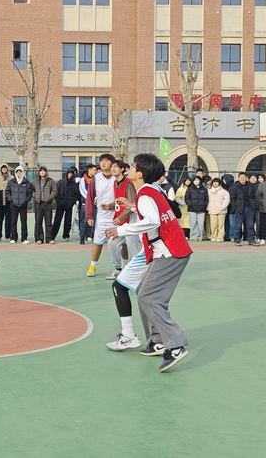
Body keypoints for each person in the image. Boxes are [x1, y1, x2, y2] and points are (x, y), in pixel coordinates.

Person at [105, 153, 193, 372]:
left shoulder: (145, 193)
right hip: (169, 250)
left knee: (149, 297)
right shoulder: (152, 190)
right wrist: (133, 206)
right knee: (143, 290)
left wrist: (121, 230)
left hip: (169, 252)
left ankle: (175, 345)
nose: (130, 168)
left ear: (140, 174)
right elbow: (155, 212)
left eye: (134, 166)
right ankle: (157, 340)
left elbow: (152, 220)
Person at [84, 153, 116, 277]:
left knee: (120, 244)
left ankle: (121, 266)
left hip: (117, 217)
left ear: (112, 163)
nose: (103, 163)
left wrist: (112, 206)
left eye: (106, 161)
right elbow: (90, 197)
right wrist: (89, 215)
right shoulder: (96, 178)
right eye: (101, 161)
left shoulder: (118, 177)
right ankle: (93, 265)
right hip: (102, 217)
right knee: (97, 242)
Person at [107, 160, 138, 281]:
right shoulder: (115, 183)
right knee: (112, 243)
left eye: (115, 167)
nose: (113, 169)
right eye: (112, 167)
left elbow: (132, 205)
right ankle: (118, 268)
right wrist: (110, 206)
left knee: (131, 247)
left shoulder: (128, 183)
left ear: (122, 169)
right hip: (121, 220)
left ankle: (134, 272)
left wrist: (120, 218)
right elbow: (119, 202)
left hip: (130, 219)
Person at [230, 172, 258, 247]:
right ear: (238, 178)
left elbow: (254, 196)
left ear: (246, 178)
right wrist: (235, 207)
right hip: (239, 208)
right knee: (238, 225)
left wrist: (254, 204)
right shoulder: (235, 187)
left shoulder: (251, 186)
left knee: (250, 225)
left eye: (243, 177)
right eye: (241, 177)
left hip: (250, 208)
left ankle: (251, 240)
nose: (242, 178)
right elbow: (232, 198)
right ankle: (237, 240)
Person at [52, 167, 79, 243]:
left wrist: (72, 202)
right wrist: (59, 201)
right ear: (66, 174)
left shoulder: (74, 184)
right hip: (60, 205)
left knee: (68, 221)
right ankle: (52, 236)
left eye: (71, 174)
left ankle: (66, 235)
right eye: (69, 173)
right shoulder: (60, 182)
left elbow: (76, 195)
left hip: (69, 205)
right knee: (57, 221)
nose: (70, 175)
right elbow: (56, 193)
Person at [31, 166, 56, 245]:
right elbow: (31, 190)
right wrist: (35, 196)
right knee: (38, 221)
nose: (42, 172)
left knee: (48, 222)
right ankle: (39, 238)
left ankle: (49, 238)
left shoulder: (51, 181)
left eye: (44, 171)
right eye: (41, 171)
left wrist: (49, 198)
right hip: (38, 203)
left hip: (48, 204)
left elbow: (54, 191)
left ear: (46, 172)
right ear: (39, 172)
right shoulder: (35, 181)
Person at [6, 166, 32, 244]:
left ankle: (24, 238)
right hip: (14, 205)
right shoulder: (11, 182)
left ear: (23, 172)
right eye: (17, 171)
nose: (19, 173)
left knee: (24, 222)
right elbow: (7, 192)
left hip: (23, 205)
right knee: (13, 221)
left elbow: (29, 193)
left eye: (20, 171)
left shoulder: (26, 182)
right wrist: (11, 199)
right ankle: (14, 238)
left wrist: (26, 200)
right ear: (15, 172)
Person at [207, 178, 230, 242]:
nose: (215, 183)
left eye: (216, 182)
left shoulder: (224, 191)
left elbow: (227, 200)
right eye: (214, 182)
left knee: (221, 225)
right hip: (212, 210)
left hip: (221, 211)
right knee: (213, 225)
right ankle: (213, 236)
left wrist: (222, 207)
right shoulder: (209, 191)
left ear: (219, 183)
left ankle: (220, 237)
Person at [78, 164, 96, 244]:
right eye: (94, 170)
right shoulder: (83, 179)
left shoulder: (96, 180)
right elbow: (82, 190)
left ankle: (93, 236)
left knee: (94, 221)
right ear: (89, 170)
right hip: (85, 203)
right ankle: (82, 237)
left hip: (95, 203)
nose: (95, 172)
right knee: (84, 221)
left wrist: (96, 199)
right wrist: (90, 199)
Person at [185, 176, 208, 241]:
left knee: (201, 223)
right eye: (195, 179)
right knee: (193, 222)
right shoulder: (190, 189)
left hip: (201, 209)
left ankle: (200, 236)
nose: (196, 180)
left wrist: (204, 205)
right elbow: (187, 198)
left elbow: (206, 199)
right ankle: (193, 236)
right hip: (192, 209)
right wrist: (190, 204)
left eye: (197, 179)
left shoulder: (204, 189)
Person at [0, 164, 12, 241]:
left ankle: (8, 236)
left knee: (8, 221)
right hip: (0, 204)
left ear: (7, 169)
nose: (4, 169)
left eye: (5, 168)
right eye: (2, 168)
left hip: (8, 204)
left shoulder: (11, 179)